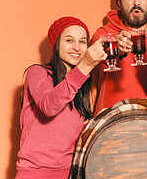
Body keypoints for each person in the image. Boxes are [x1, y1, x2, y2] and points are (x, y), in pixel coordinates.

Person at [16, 17, 107, 178]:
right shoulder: (37, 73)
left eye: (83, 41)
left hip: (70, 173)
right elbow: (49, 106)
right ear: (56, 43)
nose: (77, 47)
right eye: (69, 40)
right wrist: (85, 67)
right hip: (34, 173)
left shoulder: (80, 85)